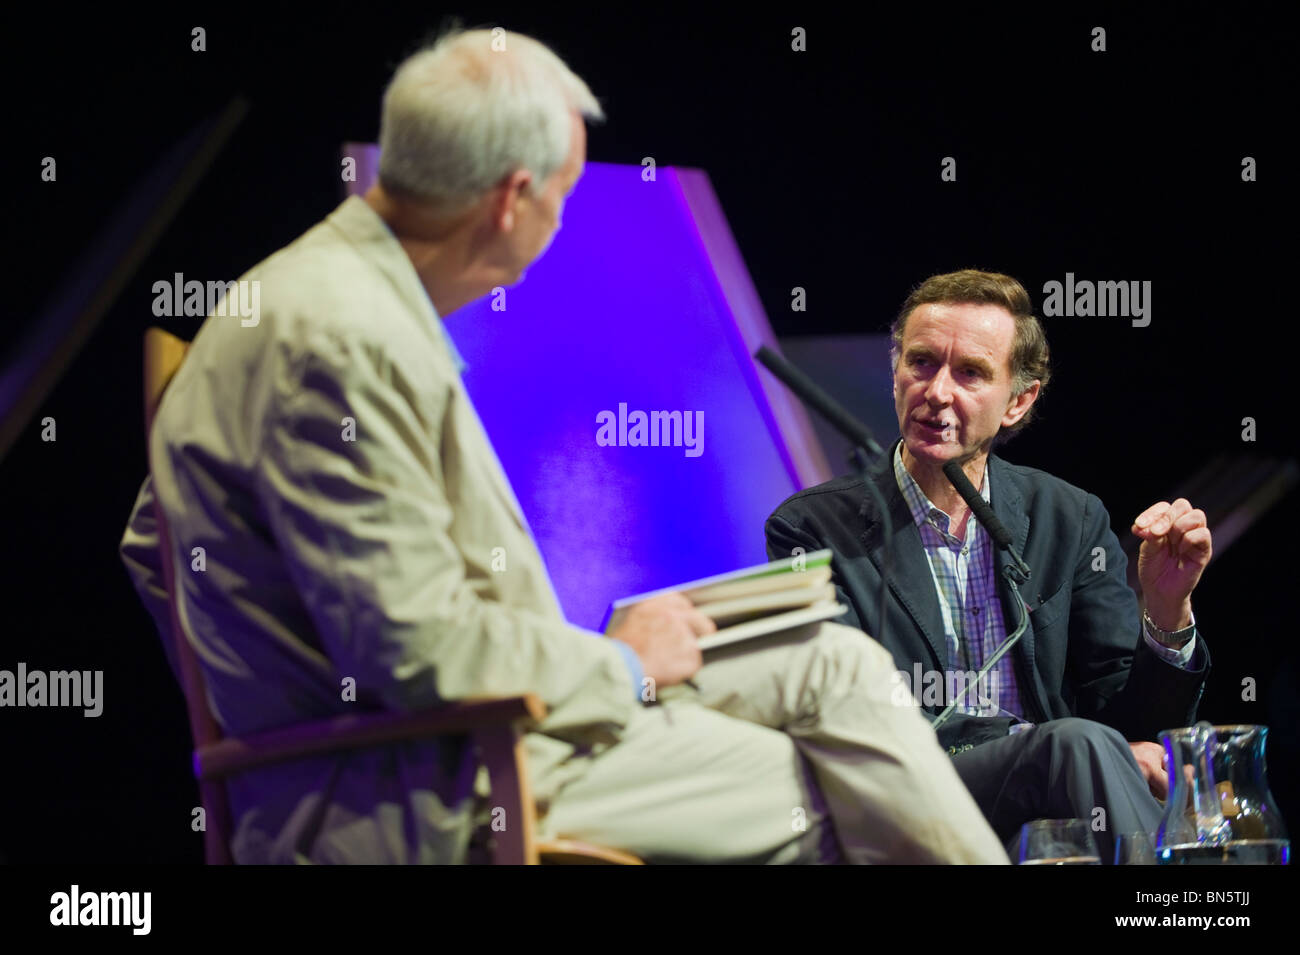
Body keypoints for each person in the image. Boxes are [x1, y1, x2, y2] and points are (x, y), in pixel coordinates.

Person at [119, 29, 1008, 864]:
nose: (559, 221)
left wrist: (258, 700)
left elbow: (151, 544)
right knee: (825, 786)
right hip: (429, 781)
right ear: (510, 198)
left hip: (467, 730)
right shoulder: (341, 340)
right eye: (562, 195)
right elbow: (417, 653)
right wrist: (615, 663)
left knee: (832, 662)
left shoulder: (305, 291)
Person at [765, 269, 1212, 862]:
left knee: (1108, 755)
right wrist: (1031, 745)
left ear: (1018, 401)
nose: (938, 392)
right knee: (1074, 748)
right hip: (904, 795)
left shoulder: (1069, 517)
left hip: (1053, 804)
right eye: (922, 363)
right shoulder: (813, 530)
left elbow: (1132, 725)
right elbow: (846, 714)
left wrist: (1165, 609)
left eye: (970, 372)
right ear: (895, 372)